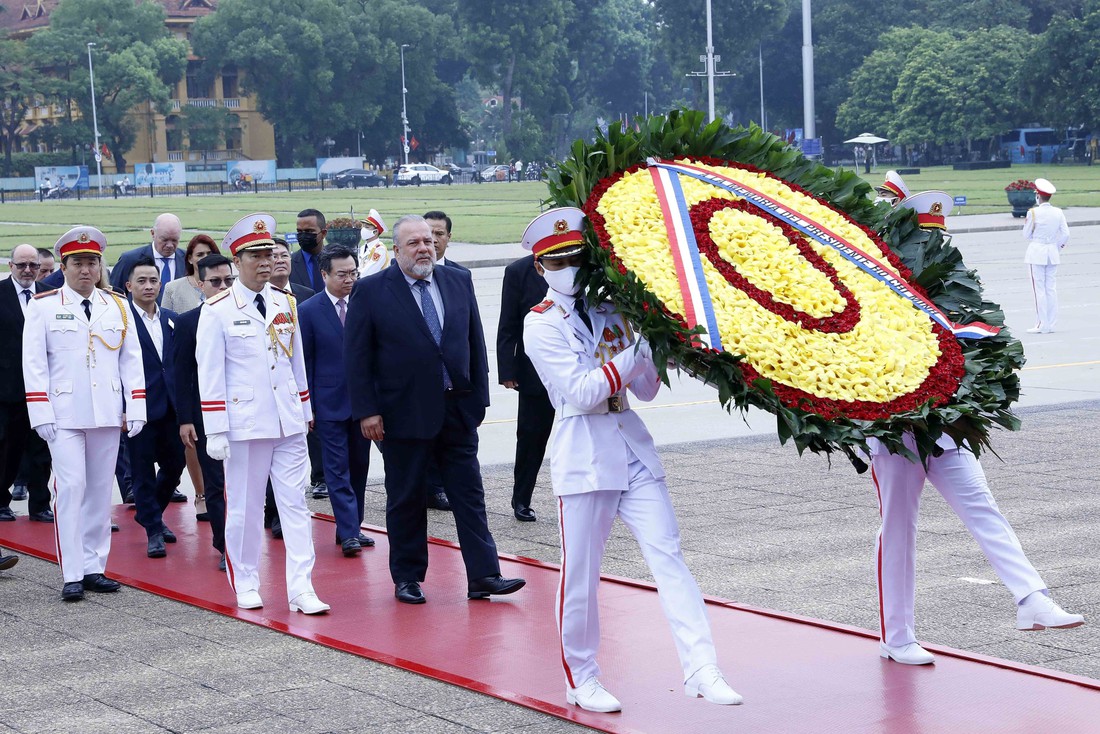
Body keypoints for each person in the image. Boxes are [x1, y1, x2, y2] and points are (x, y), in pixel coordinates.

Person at [522, 208, 741, 712]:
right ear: (540, 268)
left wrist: (654, 333)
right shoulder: (540, 326)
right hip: (585, 454)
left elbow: (643, 388)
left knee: (669, 556)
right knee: (580, 573)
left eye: (576, 256)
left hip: (631, 445)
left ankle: (702, 668)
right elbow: (578, 392)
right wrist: (636, 348)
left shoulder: (611, 310)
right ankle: (582, 676)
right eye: (557, 261)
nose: (570, 268)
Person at [872, 190, 1083, 667]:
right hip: (895, 431)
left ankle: (1030, 598)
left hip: (947, 424)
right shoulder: (878, 284)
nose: (935, 245)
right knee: (898, 528)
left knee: (983, 507)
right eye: (925, 235)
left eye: (938, 236)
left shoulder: (952, 283)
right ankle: (896, 635)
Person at [344, 214, 524, 605]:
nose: (424, 248)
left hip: (457, 410)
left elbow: (474, 341)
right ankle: (407, 577)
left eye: (428, 240)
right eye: (414, 243)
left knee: (470, 496)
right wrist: (367, 411)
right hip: (400, 415)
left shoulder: (457, 281)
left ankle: (484, 575)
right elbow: (357, 357)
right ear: (396, 250)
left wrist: (478, 398)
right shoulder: (372, 291)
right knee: (406, 498)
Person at [195, 213, 329, 615]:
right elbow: (210, 371)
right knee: (246, 507)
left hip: (287, 419)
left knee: (295, 505)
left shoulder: (284, 301)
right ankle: (247, 581)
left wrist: (305, 410)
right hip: (244, 423)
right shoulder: (217, 309)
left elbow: (296, 362)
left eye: (269, 252)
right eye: (255, 254)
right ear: (237, 261)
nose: (266, 261)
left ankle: (301, 587)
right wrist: (215, 429)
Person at [22, 226, 146, 602]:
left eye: (92, 262)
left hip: (106, 411)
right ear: (65, 266)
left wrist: (135, 404)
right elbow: (34, 363)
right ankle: (72, 571)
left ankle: (95, 567)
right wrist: (39, 410)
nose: (86, 270)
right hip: (63, 413)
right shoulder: (44, 306)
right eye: (78, 263)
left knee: (97, 491)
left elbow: (132, 359)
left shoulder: (117, 305)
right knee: (70, 487)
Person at [298, 245, 375, 557]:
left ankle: (351, 527)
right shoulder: (309, 311)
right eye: (342, 274)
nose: (349, 279)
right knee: (336, 469)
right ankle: (348, 531)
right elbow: (305, 364)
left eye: (353, 273)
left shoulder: (366, 305)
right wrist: (309, 406)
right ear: (324, 274)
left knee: (359, 467)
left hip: (363, 405)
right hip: (327, 405)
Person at [173, 253, 234, 570]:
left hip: (245, 412)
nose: (223, 286)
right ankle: (224, 544)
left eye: (229, 280)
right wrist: (185, 419)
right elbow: (180, 375)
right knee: (216, 483)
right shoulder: (188, 323)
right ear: (200, 284)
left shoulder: (247, 314)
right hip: (205, 415)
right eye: (215, 281)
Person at [124, 257, 186, 559]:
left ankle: (150, 514)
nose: (148, 286)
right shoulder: (121, 319)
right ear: (129, 286)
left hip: (172, 407)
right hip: (138, 408)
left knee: (175, 466)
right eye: (142, 281)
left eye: (153, 281)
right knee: (142, 472)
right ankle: (153, 531)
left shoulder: (171, 318)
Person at [496, 252, 553, 522]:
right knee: (531, 438)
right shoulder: (518, 271)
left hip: (579, 372)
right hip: (534, 373)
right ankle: (522, 499)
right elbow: (508, 323)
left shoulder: (581, 264)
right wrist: (507, 369)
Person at [0, 245, 54, 524]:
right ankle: (1, 502)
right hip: (6, 391)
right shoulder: (0, 294)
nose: (28, 270)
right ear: (11, 265)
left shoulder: (48, 295)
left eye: (33, 265)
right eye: (22, 265)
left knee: (40, 451)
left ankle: (40, 505)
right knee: (5, 449)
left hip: (42, 389)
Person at [272, 238, 323, 502]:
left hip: (305, 375)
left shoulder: (306, 295)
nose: (280, 260)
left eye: (284, 255)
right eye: (274, 256)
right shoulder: (260, 299)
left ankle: (319, 477)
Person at [1021, 177, 1068, 334]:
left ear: (1038, 196)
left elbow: (1026, 234)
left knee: (1039, 289)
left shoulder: (1033, 212)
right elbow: (1065, 234)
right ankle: (1051, 323)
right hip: (1052, 253)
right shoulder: (1058, 212)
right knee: (1051, 289)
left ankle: (1042, 324)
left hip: (1037, 252)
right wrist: (1057, 247)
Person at [109, 213, 186, 301]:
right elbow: (113, 295)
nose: (170, 245)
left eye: (174, 240)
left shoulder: (189, 260)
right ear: (153, 233)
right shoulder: (129, 259)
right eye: (164, 240)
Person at [162, 234, 219, 314]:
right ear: (190, 259)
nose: (206, 258)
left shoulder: (226, 286)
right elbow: (165, 320)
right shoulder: (172, 289)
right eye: (200, 255)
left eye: (209, 254)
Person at [290, 208, 327, 294]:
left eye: (309, 231)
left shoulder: (336, 261)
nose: (303, 235)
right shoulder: (289, 264)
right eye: (299, 231)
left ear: (324, 233)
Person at [357, 209, 390, 277]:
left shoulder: (380, 249)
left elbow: (369, 272)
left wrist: (354, 275)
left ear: (375, 232)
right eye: (363, 226)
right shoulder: (363, 248)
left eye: (367, 227)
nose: (363, 229)